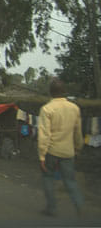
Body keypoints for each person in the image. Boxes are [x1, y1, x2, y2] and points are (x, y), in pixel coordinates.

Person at [38, 78, 84, 217]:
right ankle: (79, 206)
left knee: (48, 178)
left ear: (50, 92)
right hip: (68, 152)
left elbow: (44, 135)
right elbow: (78, 132)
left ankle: (51, 208)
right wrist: (78, 148)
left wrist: (42, 156)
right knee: (70, 180)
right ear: (64, 91)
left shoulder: (47, 109)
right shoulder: (74, 108)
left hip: (51, 151)